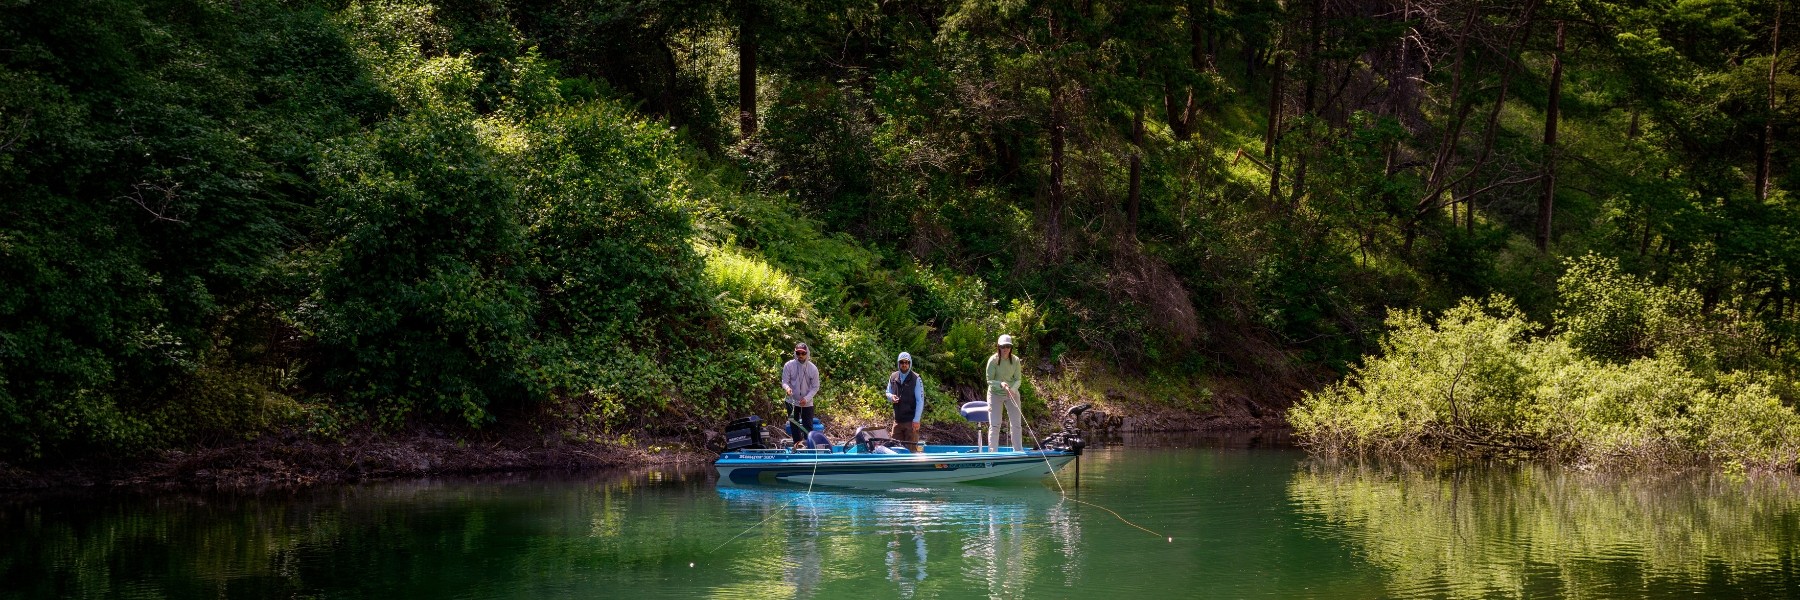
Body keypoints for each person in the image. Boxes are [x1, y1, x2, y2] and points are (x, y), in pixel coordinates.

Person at [985, 335, 1024, 451]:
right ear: (999, 347)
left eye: (1008, 346)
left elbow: (1018, 379)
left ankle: (1018, 451)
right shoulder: (992, 360)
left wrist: (1013, 390)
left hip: (1011, 393)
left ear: (1011, 347)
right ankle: (992, 453)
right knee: (995, 424)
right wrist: (1000, 384)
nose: (1005, 349)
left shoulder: (1016, 360)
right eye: (1003, 346)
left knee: (1016, 423)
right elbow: (989, 381)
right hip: (995, 394)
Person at [782, 342, 821, 447]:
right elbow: (785, 381)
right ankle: (797, 445)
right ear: (795, 353)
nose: (800, 356)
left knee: (808, 425)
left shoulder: (813, 369)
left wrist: (806, 398)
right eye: (798, 353)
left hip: (806, 402)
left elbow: (815, 387)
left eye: (803, 353)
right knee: (794, 424)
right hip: (791, 401)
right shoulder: (788, 365)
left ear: (807, 353)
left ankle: (809, 446)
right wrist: (787, 388)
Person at [885, 352, 925, 452]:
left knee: (911, 451)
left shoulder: (916, 378)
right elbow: (887, 392)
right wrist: (891, 397)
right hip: (897, 421)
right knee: (894, 451)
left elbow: (920, 400)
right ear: (898, 363)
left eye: (906, 362)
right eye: (902, 362)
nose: (904, 364)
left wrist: (916, 420)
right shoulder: (893, 377)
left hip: (911, 422)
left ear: (910, 363)